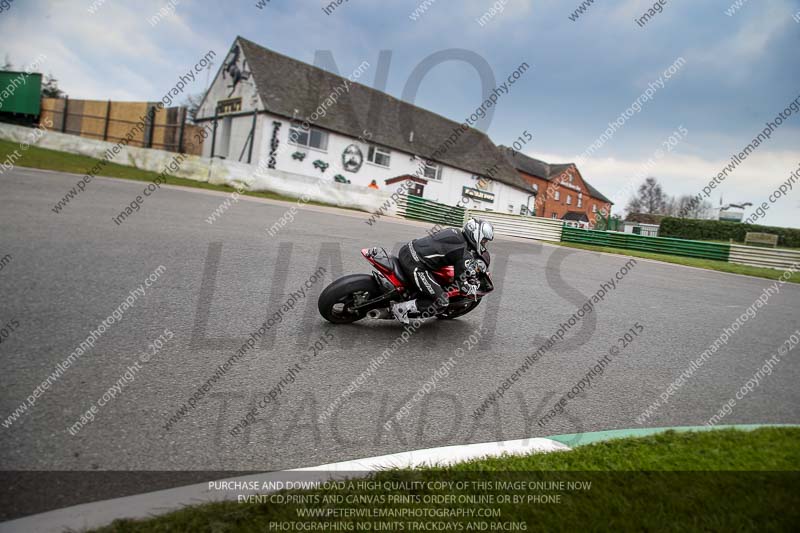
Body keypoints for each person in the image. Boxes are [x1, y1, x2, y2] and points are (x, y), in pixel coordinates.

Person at [390, 218, 494, 324]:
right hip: (415, 265)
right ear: (476, 235)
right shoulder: (463, 254)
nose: (484, 244)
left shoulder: (454, 232)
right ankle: (400, 309)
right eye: (484, 241)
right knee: (441, 302)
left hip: (407, 249)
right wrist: (471, 288)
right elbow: (461, 285)